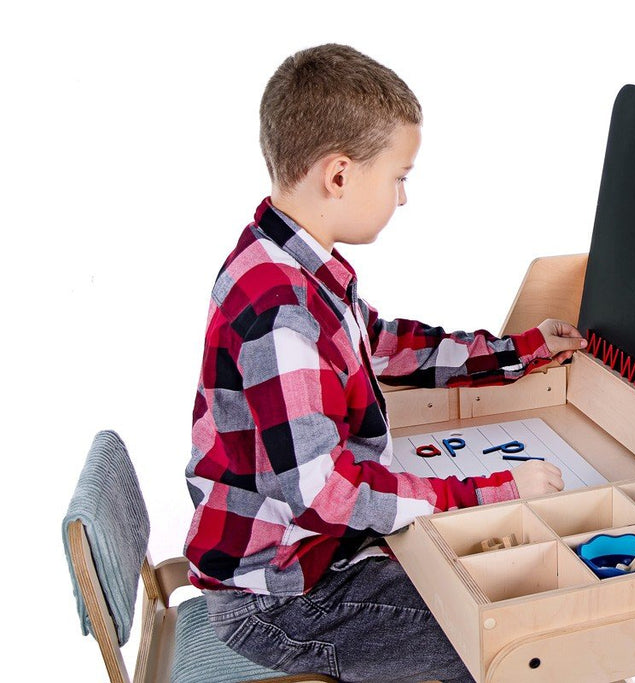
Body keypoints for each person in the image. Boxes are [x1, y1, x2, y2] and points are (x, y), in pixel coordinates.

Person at [183, 43, 587, 682]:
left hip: (295, 563)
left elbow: (386, 343)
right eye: (399, 176)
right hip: (282, 601)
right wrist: (490, 492)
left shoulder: (289, 263)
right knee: (512, 645)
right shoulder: (282, 311)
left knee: (498, 598)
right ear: (339, 175)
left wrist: (518, 349)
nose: (402, 198)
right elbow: (326, 496)